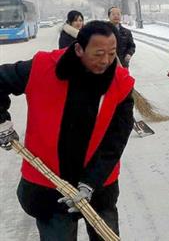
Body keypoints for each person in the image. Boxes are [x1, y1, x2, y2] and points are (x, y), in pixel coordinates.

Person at [0, 21, 135, 240]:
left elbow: (116, 139)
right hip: (50, 184)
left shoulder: (120, 84)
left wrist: (90, 183)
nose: (106, 61)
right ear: (79, 49)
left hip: (98, 184)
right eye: (98, 54)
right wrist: (2, 122)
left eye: (112, 54)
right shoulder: (43, 67)